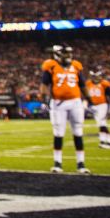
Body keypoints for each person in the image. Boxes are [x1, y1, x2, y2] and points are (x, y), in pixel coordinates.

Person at [42, 45, 92, 174]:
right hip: (58, 103)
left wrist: (88, 98)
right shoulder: (51, 66)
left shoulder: (76, 65)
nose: (68, 56)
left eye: (69, 53)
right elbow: (44, 85)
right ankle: (57, 163)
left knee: (78, 132)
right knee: (58, 133)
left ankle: (81, 163)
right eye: (65, 53)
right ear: (59, 54)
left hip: (75, 102)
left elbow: (82, 84)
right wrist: (45, 99)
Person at [86, 67, 110, 149]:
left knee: (102, 123)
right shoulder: (88, 83)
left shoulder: (104, 83)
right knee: (100, 124)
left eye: (97, 76)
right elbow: (86, 95)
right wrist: (86, 103)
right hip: (94, 106)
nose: (96, 78)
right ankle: (108, 142)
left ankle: (104, 142)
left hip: (102, 105)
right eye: (94, 76)